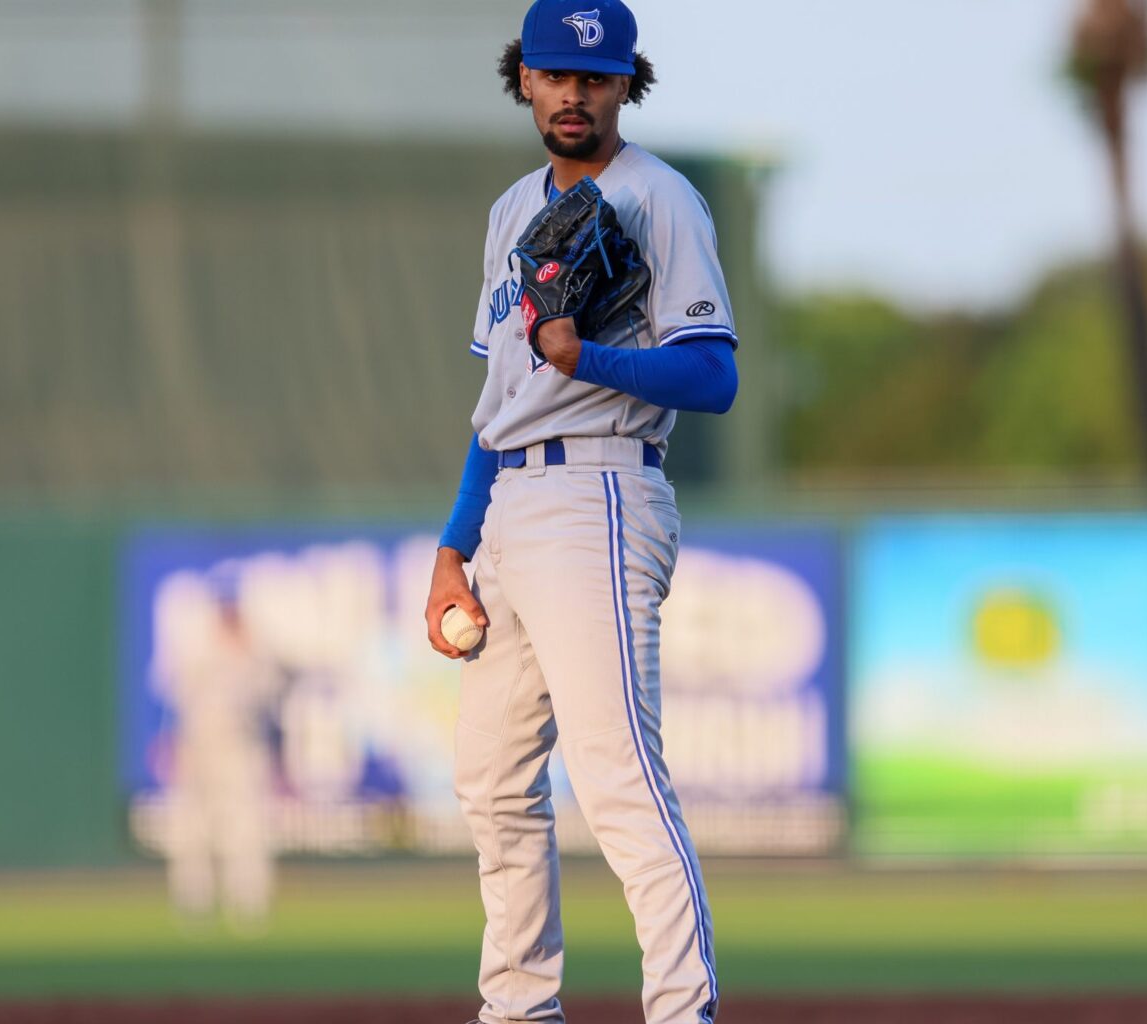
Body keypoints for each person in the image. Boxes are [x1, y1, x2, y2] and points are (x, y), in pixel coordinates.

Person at [423, 2, 739, 1021]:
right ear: (526, 79)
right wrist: (452, 546)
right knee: (492, 778)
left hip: (600, 490)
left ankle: (682, 1011)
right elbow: (500, 404)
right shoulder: (512, 209)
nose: (574, 94)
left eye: (595, 79)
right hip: (514, 499)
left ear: (624, 85)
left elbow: (713, 374)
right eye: (556, 75)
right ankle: (519, 1009)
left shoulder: (661, 198)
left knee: (618, 778)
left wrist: (590, 357)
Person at [154, 571, 280, 935]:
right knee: (192, 827)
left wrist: (246, 652)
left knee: (246, 827)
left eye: (231, 604)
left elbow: (268, 698)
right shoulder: (197, 645)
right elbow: (174, 697)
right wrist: (168, 741)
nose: (227, 611)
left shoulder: (255, 649)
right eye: (222, 605)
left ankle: (249, 906)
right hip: (199, 743)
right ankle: (194, 907)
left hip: (242, 746)